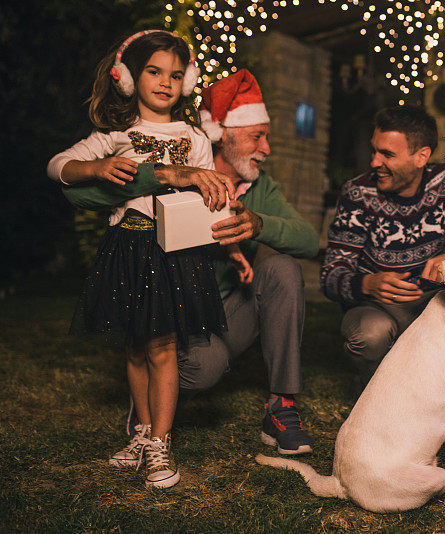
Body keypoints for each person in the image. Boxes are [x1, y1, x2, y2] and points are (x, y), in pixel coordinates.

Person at [55, 68, 320, 456]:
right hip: (183, 318)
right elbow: (79, 196)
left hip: (231, 308)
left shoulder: (261, 185)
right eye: (256, 136)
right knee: (201, 368)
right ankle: (147, 405)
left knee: (283, 268)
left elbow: (310, 241)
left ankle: (282, 406)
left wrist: (258, 223)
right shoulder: (179, 163)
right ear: (222, 137)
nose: (266, 149)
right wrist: (157, 177)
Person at [47, 30, 231, 488]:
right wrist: (96, 167)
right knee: (134, 344)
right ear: (128, 78)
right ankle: (143, 433)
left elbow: (210, 187)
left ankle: (161, 443)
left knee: (164, 346)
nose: (165, 82)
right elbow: (58, 165)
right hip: (127, 248)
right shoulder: (116, 134)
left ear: (187, 82)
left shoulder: (194, 137)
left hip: (176, 253)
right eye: (153, 71)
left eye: (175, 75)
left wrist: (207, 186)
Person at [320, 105, 445, 386]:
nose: (374, 162)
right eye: (374, 151)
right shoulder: (357, 193)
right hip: (377, 306)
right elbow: (331, 276)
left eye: (387, 154)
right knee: (371, 335)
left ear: (421, 157)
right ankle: (379, 393)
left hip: (436, 304)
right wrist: (368, 284)